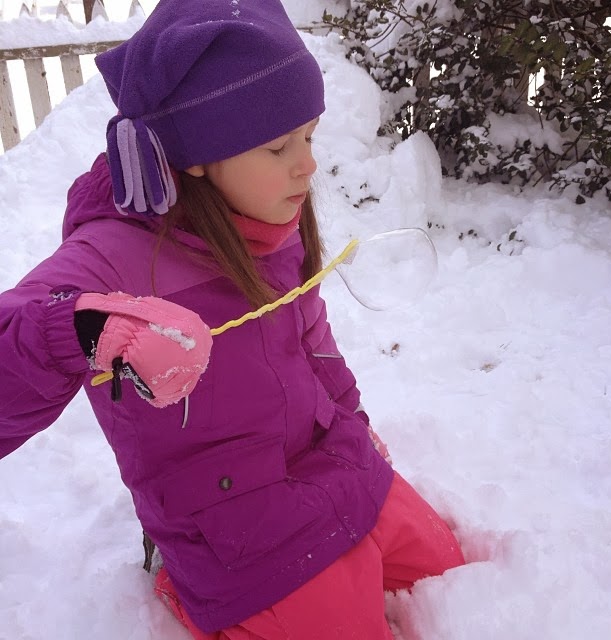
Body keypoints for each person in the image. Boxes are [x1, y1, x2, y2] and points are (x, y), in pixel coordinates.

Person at [0, 1, 465, 638]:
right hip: (228, 514)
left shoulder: (270, 215)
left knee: (449, 573)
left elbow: (312, 340)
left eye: (310, 136)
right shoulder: (115, 254)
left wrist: (352, 425)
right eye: (278, 146)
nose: (307, 164)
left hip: (325, 458)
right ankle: (183, 581)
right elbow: (17, 336)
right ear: (196, 155)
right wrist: (83, 332)